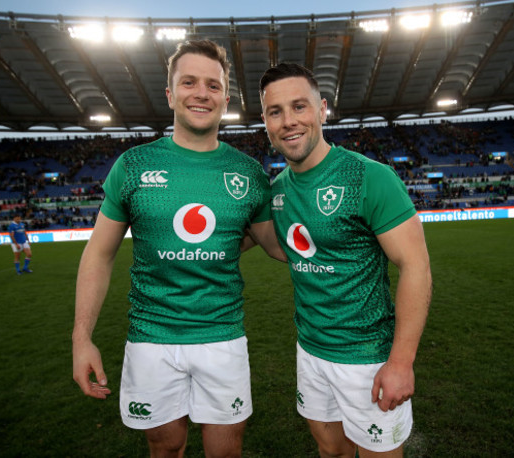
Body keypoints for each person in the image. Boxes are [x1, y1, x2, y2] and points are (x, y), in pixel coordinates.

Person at [72, 39, 285, 457]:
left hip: (222, 337)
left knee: (225, 451)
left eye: (212, 84)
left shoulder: (247, 173)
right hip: (151, 338)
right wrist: (82, 338)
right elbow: (99, 253)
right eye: (189, 82)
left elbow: (276, 246)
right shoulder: (132, 166)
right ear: (171, 94)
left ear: (225, 97)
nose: (201, 93)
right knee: (166, 446)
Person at [259, 63, 432, 457]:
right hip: (310, 351)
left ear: (322, 110)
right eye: (275, 111)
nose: (289, 121)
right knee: (330, 451)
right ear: (266, 121)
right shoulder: (277, 191)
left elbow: (416, 267)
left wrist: (401, 362)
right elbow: (274, 245)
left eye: (299, 107)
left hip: (367, 359)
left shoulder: (369, 177)